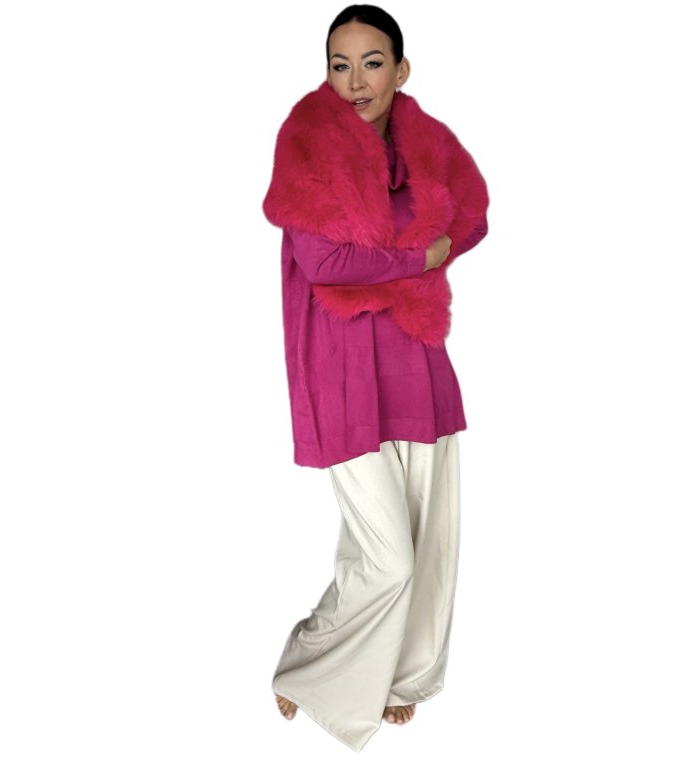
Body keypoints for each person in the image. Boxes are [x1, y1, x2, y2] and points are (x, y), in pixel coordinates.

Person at [261, 4, 489, 752]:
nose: (355, 81)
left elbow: (473, 215)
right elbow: (325, 262)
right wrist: (418, 256)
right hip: (342, 366)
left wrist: (410, 254)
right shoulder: (306, 145)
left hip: (417, 360)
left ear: (401, 69)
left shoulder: (425, 143)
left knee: (429, 540)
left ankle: (403, 678)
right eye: (340, 64)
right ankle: (310, 664)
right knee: (386, 555)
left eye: (371, 63)